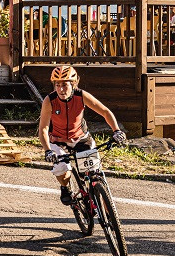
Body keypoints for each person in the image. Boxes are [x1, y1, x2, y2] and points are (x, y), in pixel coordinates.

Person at [38, 65, 127, 205]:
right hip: (57, 141)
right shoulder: (49, 101)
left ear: (73, 84)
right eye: (57, 85)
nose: (61, 89)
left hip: (80, 138)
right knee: (62, 169)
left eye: (65, 85)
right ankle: (65, 187)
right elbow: (43, 128)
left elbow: (105, 111)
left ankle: (108, 211)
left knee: (94, 174)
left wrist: (117, 130)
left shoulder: (81, 95)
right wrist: (48, 150)